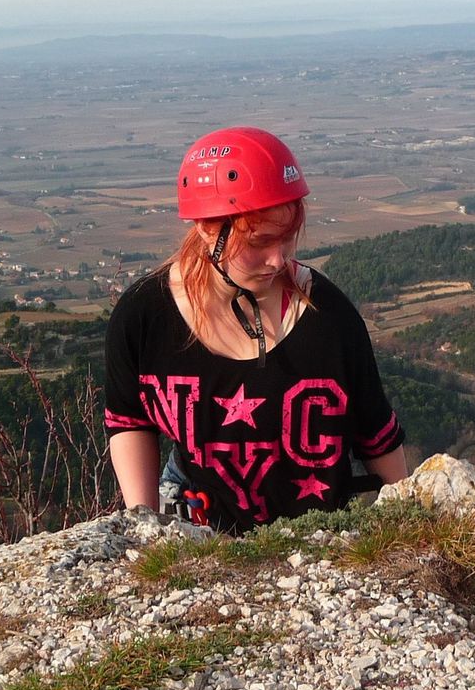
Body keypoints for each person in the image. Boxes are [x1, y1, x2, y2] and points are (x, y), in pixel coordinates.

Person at [104, 126, 407, 533]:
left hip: (318, 537)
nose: (279, 259)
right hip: (198, 528)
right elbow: (130, 420)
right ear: (208, 227)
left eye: (286, 238)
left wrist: (412, 520)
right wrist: (144, 528)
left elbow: (375, 433)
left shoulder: (328, 317)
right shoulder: (144, 319)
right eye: (260, 241)